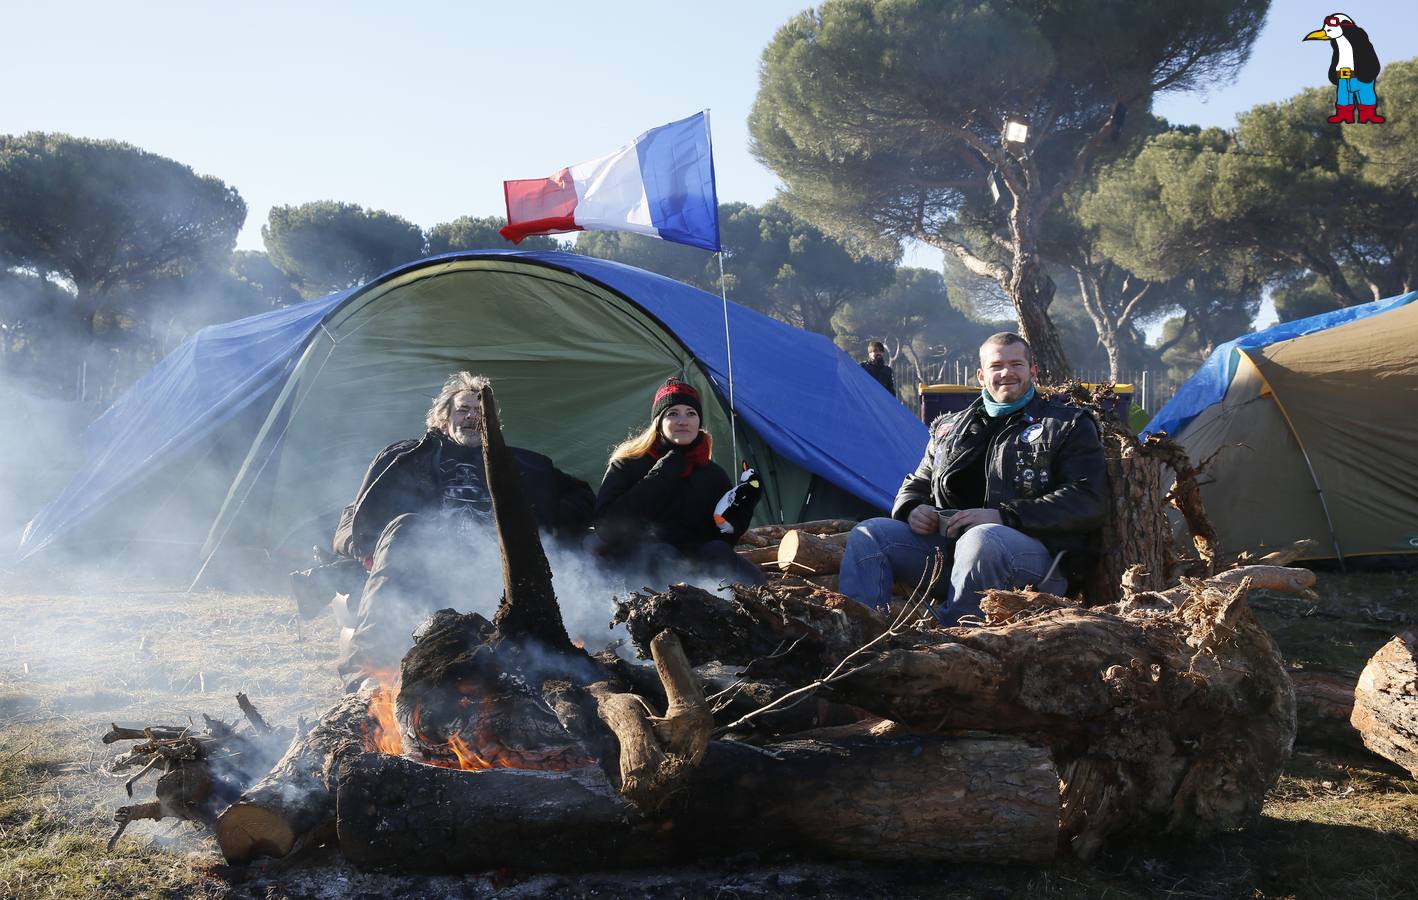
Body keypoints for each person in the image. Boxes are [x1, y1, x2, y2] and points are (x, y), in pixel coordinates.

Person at [333, 371, 594, 676]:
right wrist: (365, 548)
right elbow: (354, 517)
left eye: (481, 412)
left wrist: (548, 523)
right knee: (406, 525)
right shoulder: (407, 457)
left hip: (491, 566)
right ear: (443, 419)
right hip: (424, 565)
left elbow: (583, 495)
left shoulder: (523, 464)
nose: (472, 417)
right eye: (463, 410)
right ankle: (368, 671)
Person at [838, 333, 1106, 624]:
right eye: (996, 366)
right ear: (981, 375)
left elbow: (1086, 499)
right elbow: (918, 481)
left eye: (1016, 364)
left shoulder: (1068, 425)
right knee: (870, 534)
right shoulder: (950, 427)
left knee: (982, 537)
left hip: (1041, 562)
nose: (1006, 373)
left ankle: (950, 648)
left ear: (1033, 371)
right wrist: (912, 508)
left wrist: (1003, 516)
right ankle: (859, 639)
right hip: (952, 555)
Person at [591, 377, 765, 586]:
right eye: (673, 413)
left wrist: (739, 513)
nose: (683, 421)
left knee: (728, 559)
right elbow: (607, 527)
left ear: (699, 421)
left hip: (693, 565)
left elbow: (722, 538)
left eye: (691, 413)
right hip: (637, 563)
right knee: (661, 553)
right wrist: (663, 473)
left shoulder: (712, 474)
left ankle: (725, 611)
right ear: (658, 422)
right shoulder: (628, 464)